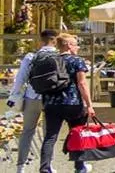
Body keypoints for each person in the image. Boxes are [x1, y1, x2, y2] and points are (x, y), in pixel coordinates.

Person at [35, 32, 95, 173]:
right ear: (68, 45)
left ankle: (45, 168)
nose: (77, 47)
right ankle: (79, 167)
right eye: (75, 44)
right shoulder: (76, 61)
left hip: (51, 103)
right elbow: (82, 83)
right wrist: (89, 105)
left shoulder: (50, 60)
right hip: (72, 102)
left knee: (50, 136)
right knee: (77, 133)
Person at [8, 28, 59, 173]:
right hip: (52, 98)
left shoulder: (31, 56)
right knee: (49, 134)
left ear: (40, 40)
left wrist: (14, 96)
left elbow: (20, 78)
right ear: (55, 40)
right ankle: (47, 166)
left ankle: (20, 167)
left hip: (32, 97)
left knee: (27, 131)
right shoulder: (59, 56)